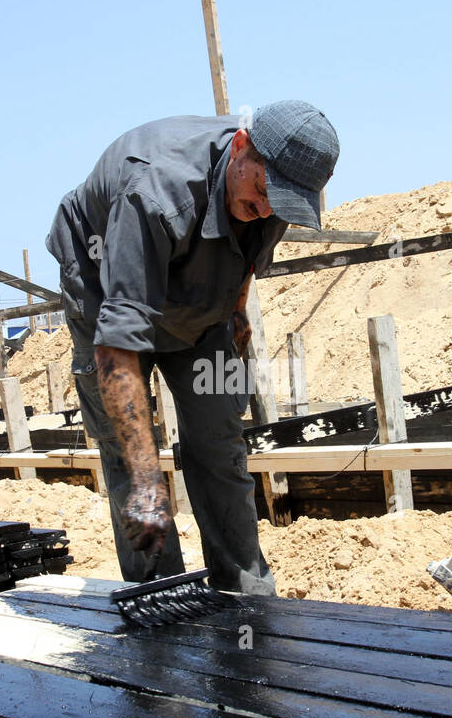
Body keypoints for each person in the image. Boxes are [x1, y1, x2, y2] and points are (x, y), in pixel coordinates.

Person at [45, 101, 339, 594]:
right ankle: (164, 597)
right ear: (241, 147)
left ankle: (243, 593)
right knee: (129, 457)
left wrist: (236, 320)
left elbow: (246, 260)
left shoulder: (274, 193)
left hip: (199, 300)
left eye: (280, 204)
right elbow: (118, 343)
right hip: (105, 277)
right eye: (263, 193)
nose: (266, 209)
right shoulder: (156, 194)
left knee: (220, 444)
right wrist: (146, 479)